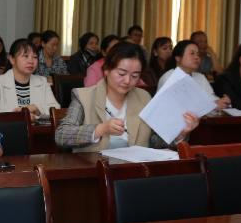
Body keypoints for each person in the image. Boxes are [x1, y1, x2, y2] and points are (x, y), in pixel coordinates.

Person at [55, 43, 199, 152]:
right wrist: (101, 129)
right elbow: (61, 136)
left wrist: (179, 133)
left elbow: (154, 141)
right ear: (106, 70)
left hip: (133, 171)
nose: (127, 81)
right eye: (121, 74)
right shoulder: (84, 96)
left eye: (135, 76)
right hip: (95, 170)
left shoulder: (143, 97)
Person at [0, 38, 60, 122]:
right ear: (12, 59)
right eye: (26, 56)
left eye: (34, 57)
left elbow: (56, 109)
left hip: (36, 129)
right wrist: (19, 115)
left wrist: (37, 109)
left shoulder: (42, 81)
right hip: (9, 129)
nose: (31, 61)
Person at [157, 40, 230, 109]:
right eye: (192, 53)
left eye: (198, 54)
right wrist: (212, 106)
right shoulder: (169, 78)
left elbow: (211, 99)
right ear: (178, 58)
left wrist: (223, 102)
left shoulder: (200, 77)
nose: (196, 57)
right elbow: (177, 107)